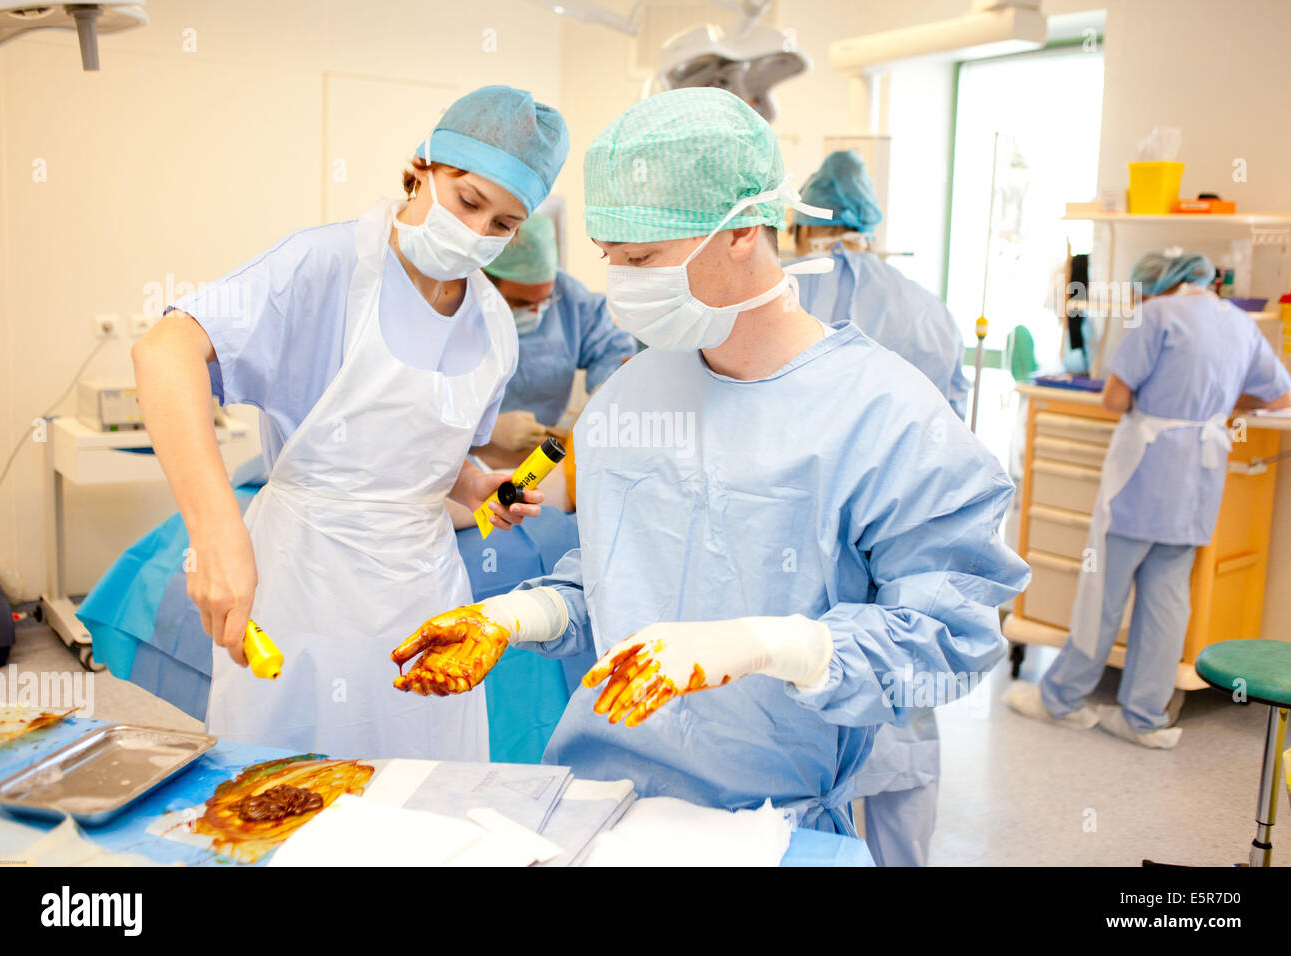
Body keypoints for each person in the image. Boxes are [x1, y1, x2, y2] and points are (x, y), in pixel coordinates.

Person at [393, 87, 1030, 836]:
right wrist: (517, 615)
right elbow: (614, 579)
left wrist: (769, 646)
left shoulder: (884, 415)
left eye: (642, 259)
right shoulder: (632, 397)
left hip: (769, 824)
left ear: (741, 233)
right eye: (610, 258)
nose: (621, 283)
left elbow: (950, 635)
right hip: (602, 808)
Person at [131, 85, 570, 759]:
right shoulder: (325, 265)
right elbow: (165, 351)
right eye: (468, 201)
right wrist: (216, 531)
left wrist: (474, 486)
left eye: (503, 224)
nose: (478, 233)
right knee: (285, 794)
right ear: (422, 167)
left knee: (423, 800)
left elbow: (417, 449)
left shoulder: (492, 325)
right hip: (304, 582)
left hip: (422, 594)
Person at [1006, 250, 1291, 748]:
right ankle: (1144, 717)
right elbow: (1279, 394)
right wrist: (1217, 405)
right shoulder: (1241, 323)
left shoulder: (1156, 315)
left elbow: (1114, 398)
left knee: (1102, 594)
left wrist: (1164, 400)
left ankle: (1061, 700)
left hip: (1144, 473)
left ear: (1156, 285)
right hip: (1198, 481)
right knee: (1167, 601)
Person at [790, 149, 969, 865]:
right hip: (912, 534)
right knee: (904, 705)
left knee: (807, 709)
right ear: (870, 221)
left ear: (800, 226)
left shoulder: (784, 295)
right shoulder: (927, 308)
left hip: (803, 536)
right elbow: (954, 431)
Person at [792, 149, 970, 419]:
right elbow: (952, 417)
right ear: (869, 231)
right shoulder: (933, 311)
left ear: (805, 228)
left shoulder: (778, 292)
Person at [473, 212, 636, 472]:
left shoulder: (568, 297)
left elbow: (612, 350)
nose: (537, 312)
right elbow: (420, 409)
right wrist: (484, 430)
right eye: (523, 304)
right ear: (484, 280)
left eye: (545, 300)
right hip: (462, 466)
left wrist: (604, 395)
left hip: (543, 462)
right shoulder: (455, 308)